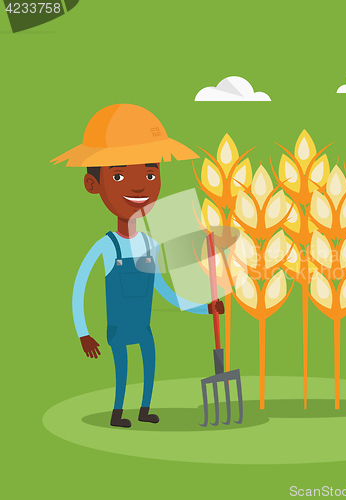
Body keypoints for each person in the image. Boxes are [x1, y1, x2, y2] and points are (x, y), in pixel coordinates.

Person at [52, 104, 224, 428]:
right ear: (93, 185)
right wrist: (83, 333)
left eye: (149, 174)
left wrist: (206, 308)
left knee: (149, 363)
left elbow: (165, 292)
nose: (138, 187)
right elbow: (79, 287)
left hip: (143, 328)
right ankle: (118, 412)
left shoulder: (151, 245)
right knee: (122, 368)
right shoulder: (107, 246)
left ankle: (144, 409)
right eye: (118, 175)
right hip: (117, 329)